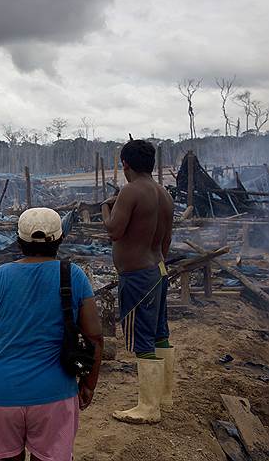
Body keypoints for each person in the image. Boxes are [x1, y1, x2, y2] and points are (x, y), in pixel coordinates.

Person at [0, 208, 103, 461]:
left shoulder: (0, 276)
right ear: (60, 239)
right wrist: (89, 383)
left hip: (1, 392)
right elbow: (95, 337)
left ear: (19, 241)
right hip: (54, 393)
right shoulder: (73, 275)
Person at [102, 139, 174, 424]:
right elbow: (166, 240)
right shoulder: (163, 194)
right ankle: (164, 395)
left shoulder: (131, 191)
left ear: (125, 165)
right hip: (158, 270)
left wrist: (105, 209)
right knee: (159, 332)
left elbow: (114, 231)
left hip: (138, 277)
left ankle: (148, 407)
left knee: (142, 338)